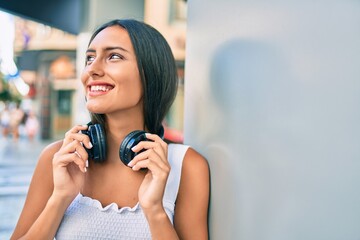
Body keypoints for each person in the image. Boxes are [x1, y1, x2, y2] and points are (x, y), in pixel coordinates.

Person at [11, 19, 209, 239]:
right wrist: (59, 198)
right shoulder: (58, 159)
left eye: (114, 56)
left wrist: (155, 211)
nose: (92, 70)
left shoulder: (187, 167)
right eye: (89, 58)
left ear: (150, 73)